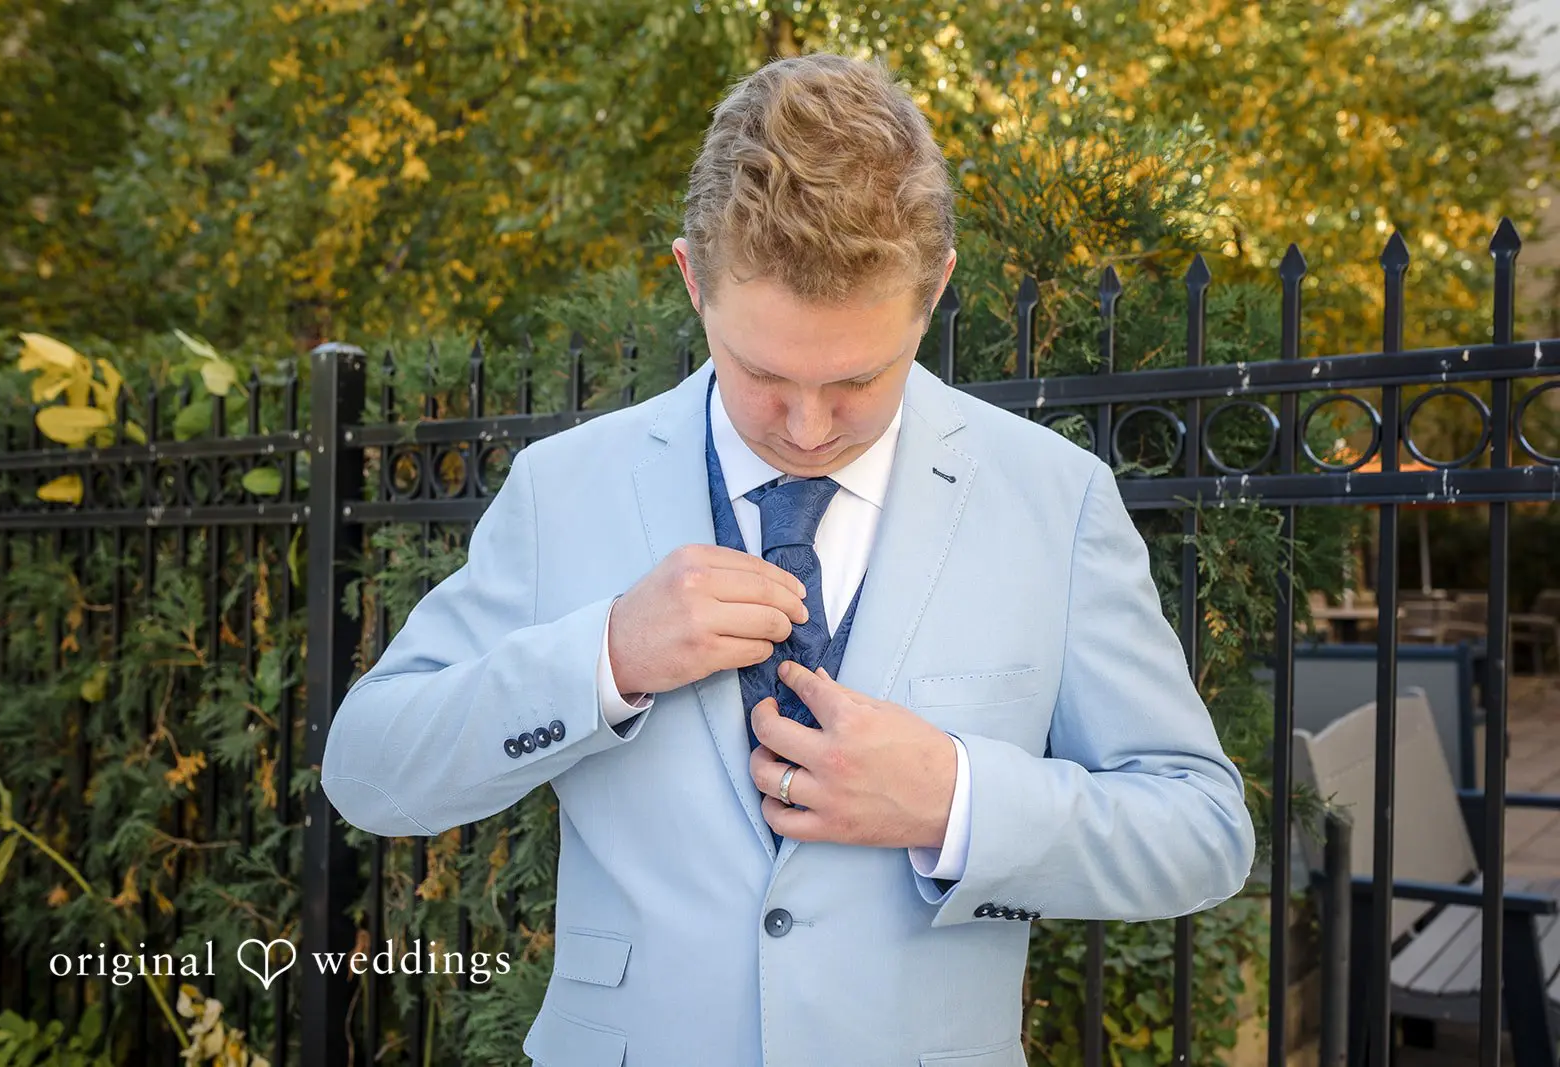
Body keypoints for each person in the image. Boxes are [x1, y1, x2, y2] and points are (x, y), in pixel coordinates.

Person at [320, 51, 1255, 1067]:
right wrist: (604, 657)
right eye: (762, 372)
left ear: (934, 288)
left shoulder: (1051, 497)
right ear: (691, 277)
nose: (808, 426)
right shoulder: (564, 486)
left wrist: (953, 797)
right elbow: (369, 769)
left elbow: (1201, 831)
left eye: (859, 376)